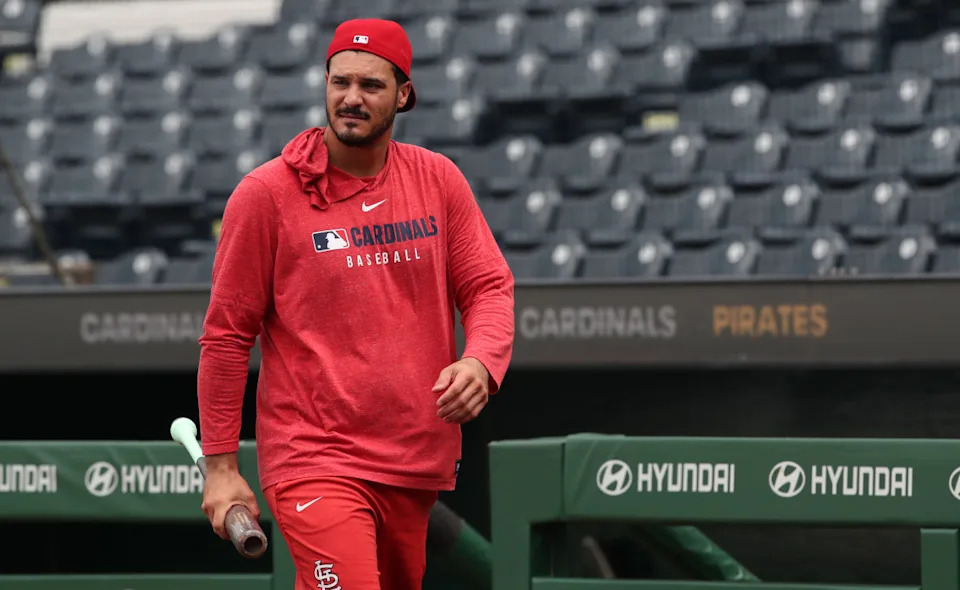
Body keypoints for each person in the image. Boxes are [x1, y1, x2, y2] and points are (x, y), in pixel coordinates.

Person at [194, 17, 515, 590]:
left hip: (413, 460)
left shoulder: (439, 180)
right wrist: (220, 469)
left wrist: (482, 362)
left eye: (370, 85)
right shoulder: (265, 195)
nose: (351, 98)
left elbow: (489, 287)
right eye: (339, 82)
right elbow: (225, 337)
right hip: (314, 457)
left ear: (404, 95)